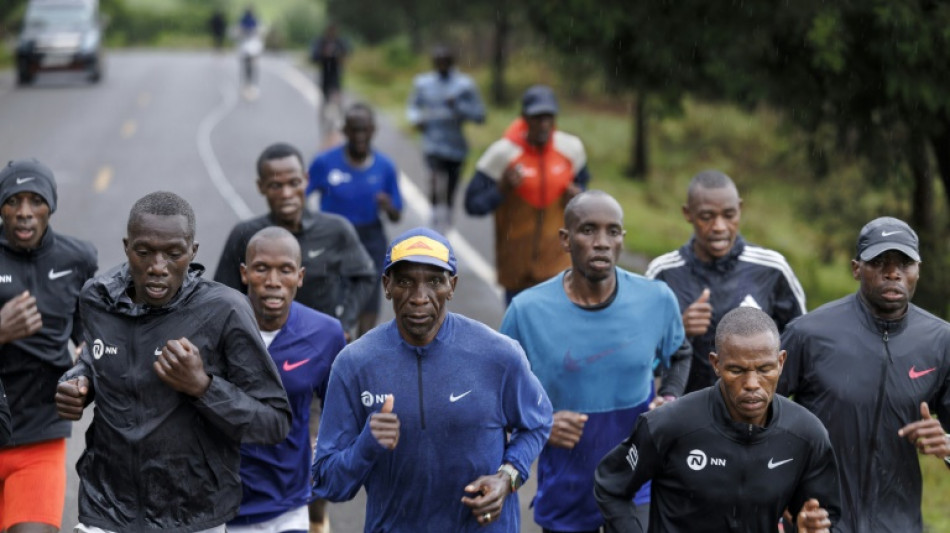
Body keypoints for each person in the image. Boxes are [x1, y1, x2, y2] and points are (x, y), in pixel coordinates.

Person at [55, 191, 291, 533]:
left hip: (192, 516)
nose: (157, 267)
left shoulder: (225, 310)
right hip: (105, 508)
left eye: (173, 254)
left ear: (192, 252)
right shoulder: (97, 298)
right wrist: (80, 380)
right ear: (127, 247)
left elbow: (274, 422)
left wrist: (203, 387)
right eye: (144, 252)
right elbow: (99, 354)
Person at [311, 227, 553, 532]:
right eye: (405, 282)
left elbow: (538, 421)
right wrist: (365, 446)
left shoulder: (499, 355)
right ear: (387, 286)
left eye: (434, 282)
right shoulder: (354, 364)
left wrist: (507, 478)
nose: (419, 298)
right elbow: (327, 483)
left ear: (452, 286)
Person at [500, 190, 690, 533]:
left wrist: (671, 398)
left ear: (621, 239)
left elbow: (680, 353)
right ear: (565, 239)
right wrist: (541, 425)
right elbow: (497, 396)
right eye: (588, 230)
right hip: (567, 486)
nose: (601, 242)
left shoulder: (656, 299)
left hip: (637, 482)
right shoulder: (527, 311)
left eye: (612, 231)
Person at [595, 307, 841, 533]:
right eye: (737, 370)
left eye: (765, 369)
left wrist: (811, 527)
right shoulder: (669, 424)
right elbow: (610, 486)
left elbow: (820, 516)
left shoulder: (807, 435)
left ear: (781, 362)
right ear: (716, 364)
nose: (752, 384)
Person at [778, 216, 950, 532]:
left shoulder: (941, 342)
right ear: (857, 268)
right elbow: (755, 415)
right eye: (880, 262)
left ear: (918, 270)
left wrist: (948, 445)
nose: (893, 272)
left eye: (905, 263)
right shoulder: (808, 334)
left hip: (899, 525)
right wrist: (779, 503)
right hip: (819, 523)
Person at [0, 159, 97, 533]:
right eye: (13, 201)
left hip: (40, 436)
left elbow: (89, 335)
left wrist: (83, 369)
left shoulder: (77, 259)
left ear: (51, 205)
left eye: (35, 200)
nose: (24, 213)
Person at [645, 169, 806, 393]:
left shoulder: (772, 268)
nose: (719, 227)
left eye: (729, 215)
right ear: (688, 213)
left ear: (740, 209)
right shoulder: (663, 273)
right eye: (707, 217)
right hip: (685, 417)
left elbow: (801, 347)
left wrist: (774, 404)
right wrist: (679, 331)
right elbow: (638, 358)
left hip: (752, 416)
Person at [227, 227, 345, 533]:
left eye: (286, 270)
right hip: (219, 510)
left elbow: (340, 414)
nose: (273, 282)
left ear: (300, 276)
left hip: (287, 508)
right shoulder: (215, 325)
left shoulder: (326, 334)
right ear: (244, 273)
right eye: (262, 269)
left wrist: (319, 464)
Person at [215, 142, 376, 339]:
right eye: (276, 185)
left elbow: (365, 275)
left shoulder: (336, 230)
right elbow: (223, 296)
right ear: (261, 187)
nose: (286, 194)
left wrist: (344, 324)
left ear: (306, 179)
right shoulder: (245, 235)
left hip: (318, 342)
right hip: (262, 344)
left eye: (294, 183)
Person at [465, 84, 590, 304]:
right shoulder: (502, 153)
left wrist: (578, 197)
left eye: (548, 117)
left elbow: (586, 195)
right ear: (524, 118)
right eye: (536, 118)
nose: (543, 125)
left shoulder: (571, 149)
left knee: (556, 334)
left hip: (558, 269)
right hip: (516, 271)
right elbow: (472, 205)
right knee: (517, 337)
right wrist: (501, 190)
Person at [307, 103, 403, 336]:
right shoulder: (324, 162)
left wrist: (387, 205)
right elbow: (301, 195)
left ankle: (362, 346)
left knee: (368, 297)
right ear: (345, 131)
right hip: (334, 237)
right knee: (333, 297)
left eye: (364, 130)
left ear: (373, 130)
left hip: (370, 237)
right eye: (354, 130)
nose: (360, 136)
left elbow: (397, 214)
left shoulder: (385, 167)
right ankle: (338, 344)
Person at [407, 45, 486, 231]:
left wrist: (458, 106)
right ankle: (434, 213)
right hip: (432, 141)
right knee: (434, 178)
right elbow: (413, 106)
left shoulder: (465, 85)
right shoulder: (423, 83)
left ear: (452, 63)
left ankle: (448, 212)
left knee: (452, 183)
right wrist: (417, 120)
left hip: (456, 144)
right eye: (438, 62)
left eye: (445, 62)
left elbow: (480, 115)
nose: (442, 66)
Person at [310, 24, 348, 131]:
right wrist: (324, 55)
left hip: (336, 77)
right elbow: (314, 56)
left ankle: (340, 125)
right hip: (325, 77)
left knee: (337, 102)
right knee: (325, 104)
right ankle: (326, 127)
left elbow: (346, 54)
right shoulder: (321, 42)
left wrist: (337, 55)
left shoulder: (340, 42)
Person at [238, 6, 263, 98]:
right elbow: (259, 32)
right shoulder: (252, 20)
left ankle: (248, 85)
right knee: (251, 67)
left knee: (247, 67)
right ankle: (250, 85)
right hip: (250, 46)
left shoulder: (244, 20)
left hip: (248, 46)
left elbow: (239, 31)